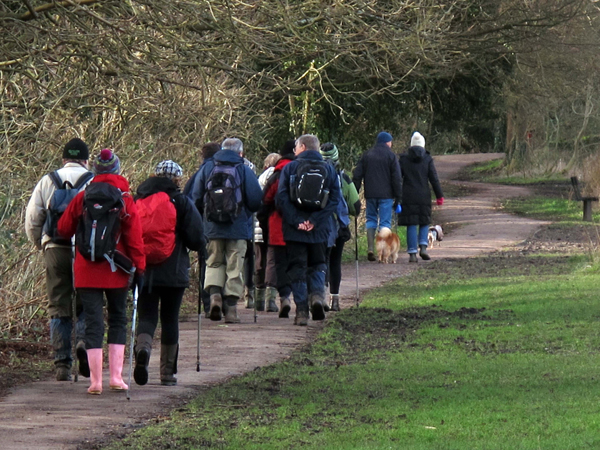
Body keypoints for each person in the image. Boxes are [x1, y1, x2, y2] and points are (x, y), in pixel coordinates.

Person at [57, 149, 146, 395]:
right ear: (117, 169)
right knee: (118, 318)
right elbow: (135, 237)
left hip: (86, 270)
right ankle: (116, 378)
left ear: (95, 170)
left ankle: (95, 382)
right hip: (116, 269)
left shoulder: (83, 197)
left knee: (94, 323)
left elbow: (63, 229)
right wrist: (140, 267)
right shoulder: (125, 198)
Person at [24, 138, 93, 381]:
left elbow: (33, 219)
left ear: (64, 158)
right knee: (86, 301)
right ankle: (84, 342)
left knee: (58, 305)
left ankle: (62, 364)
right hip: (85, 251)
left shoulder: (47, 180)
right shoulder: (93, 181)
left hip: (55, 247)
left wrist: (41, 244)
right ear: (86, 159)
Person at [133, 160, 204, 386]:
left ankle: (142, 351)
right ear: (178, 179)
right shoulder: (182, 201)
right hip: (174, 271)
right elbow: (195, 239)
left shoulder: (138, 199)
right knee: (170, 319)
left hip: (145, 269)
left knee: (146, 316)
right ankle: (166, 373)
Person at [189, 138, 262, 323]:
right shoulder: (244, 170)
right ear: (241, 153)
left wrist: (204, 219)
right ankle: (230, 309)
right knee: (234, 267)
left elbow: (196, 197)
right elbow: (255, 200)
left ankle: (214, 297)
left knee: (213, 262)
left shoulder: (207, 168)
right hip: (237, 228)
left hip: (212, 227)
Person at [276, 134, 341, 325]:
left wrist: (297, 221)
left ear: (303, 147)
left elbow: (281, 198)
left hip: (294, 231)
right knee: (318, 264)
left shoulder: (290, 168)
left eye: (296, 147)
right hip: (319, 229)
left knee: (297, 268)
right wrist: (314, 221)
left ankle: (302, 311)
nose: (294, 150)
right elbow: (335, 200)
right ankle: (317, 297)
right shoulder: (329, 169)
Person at [320, 143, 361, 311]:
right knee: (336, 262)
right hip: (340, 227)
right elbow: (356, 207)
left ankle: (320, 297)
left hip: (321, 225)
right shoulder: (344, 178)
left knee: (322, 261)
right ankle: (335, 300)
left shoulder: (316, 175)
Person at [352, 131, 402, 261]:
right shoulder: (391, 156)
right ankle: (384, 251)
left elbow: (357, 175)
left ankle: (370, 248)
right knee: (385, 222)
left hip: (370, 194)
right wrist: (398, 197)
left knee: (371, 220)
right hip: (386, 195)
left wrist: (354, 193)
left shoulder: (367, 155)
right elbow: (396, 178)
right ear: (387, 142)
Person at [184, 142, 221, 317]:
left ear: (203, 155)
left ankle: (209, 303)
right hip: (233, 228)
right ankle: (227, 303)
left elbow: (191, 199)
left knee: (208, 263)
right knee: (228, 264)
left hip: (207, 226)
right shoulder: (233, 168)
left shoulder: (201, 172)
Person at [261, 140, 296, 318]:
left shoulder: (277, 173)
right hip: (300, 227)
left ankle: (284, 299)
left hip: (277, 227)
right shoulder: (302, 170)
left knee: (280, 264)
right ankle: (302, 301)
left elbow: (265, 199)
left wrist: (265, 221)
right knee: (297, 264)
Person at [397, 132, 444, 262]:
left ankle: (412, 253)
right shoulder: (427, 159)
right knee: (424, 221)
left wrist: (397, 196)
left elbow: (398, 179)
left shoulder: (403, 159)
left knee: (411, 223)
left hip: (408, 195)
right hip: (423, 194)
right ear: (423, 145)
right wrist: (439, 195)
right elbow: (434, 178)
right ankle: (423, 246)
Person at [252, 153, 281, 311]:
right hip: (272, 226)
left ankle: (258, 300)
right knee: (272, 261)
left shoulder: (259, 178)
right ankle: (271, 300)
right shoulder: (279, 177)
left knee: (259, 262)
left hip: (257, 226)